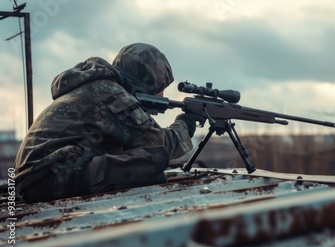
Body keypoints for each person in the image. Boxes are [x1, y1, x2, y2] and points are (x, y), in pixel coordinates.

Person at [14, 43, 203, 203]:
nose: (162, 95)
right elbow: (161, 144)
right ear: (146, 80)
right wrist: (186, 122)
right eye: (160, 87)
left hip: (38, 177)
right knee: (151, 162)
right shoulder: (113, 96)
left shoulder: (98, 86)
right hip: (46, 180)